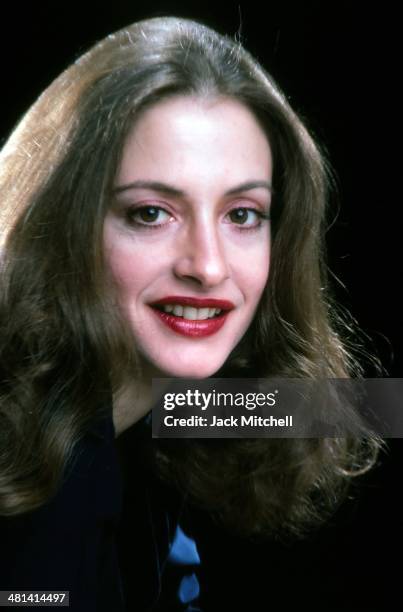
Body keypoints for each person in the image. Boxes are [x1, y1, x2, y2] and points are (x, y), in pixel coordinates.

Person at [0, 15, 381, 611]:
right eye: (151, 213)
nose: (207, 265)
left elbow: (347, 410)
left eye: (242, 215)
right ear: (60, 224)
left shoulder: (156, 401)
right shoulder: (37, 499)